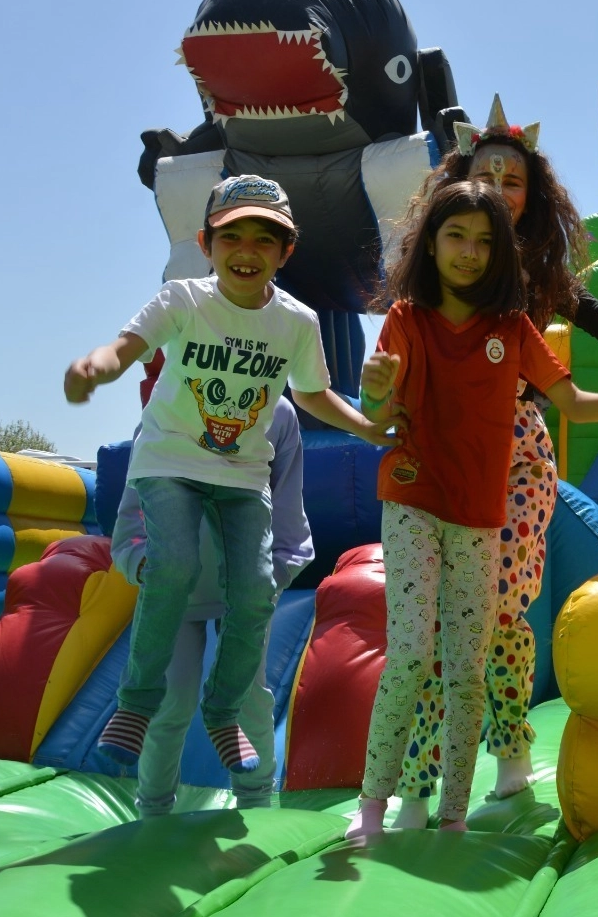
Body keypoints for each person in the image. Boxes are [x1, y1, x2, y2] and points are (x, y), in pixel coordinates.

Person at [346, 180, 598, 838]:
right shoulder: (409, 318)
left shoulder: (511, 327)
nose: (469, 252)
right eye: (456, 237)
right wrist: (373, 389)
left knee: (469, 663)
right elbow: (378, 415)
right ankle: (374, 804)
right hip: (414, 499)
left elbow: (574, 400)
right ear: (431, 243)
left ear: (503, 252)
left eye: (484, 241)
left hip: (480, 511)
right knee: (414, 650)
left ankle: (453, 817)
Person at [64, 175, 397, 772]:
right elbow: (128, 344)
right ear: (207, 244)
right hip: (170, 460)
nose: (247, 251)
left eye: (264, 241)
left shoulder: (294, 322)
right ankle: (136, 703)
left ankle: (222, 712)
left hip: (243, 473)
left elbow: (314, 396)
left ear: (285, 252)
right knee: (174, 563)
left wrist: (368, 428)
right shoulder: (184, 302)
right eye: (232, 237)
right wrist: (99, 366)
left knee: (253, 593)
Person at [391, 97, 598, 827]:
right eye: (486, 174)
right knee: (441, 619)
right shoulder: (432, 277)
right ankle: (416, 777)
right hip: (444, 448)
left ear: (529, 197)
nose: (500, 187)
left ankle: (508, 745)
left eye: (513, 179)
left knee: (502, 608)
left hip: (521, 451)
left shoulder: (536, 274)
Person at [110, 397, 313, 815]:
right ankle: (153, 811)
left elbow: (290, 516)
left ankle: (256, 804)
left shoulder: (277, 414)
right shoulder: (166, 408)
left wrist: (266, 581)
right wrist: (149, 566)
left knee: (250, 697)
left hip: (243, 590)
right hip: (174, 592)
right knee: (171, 700)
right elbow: (132, 518)